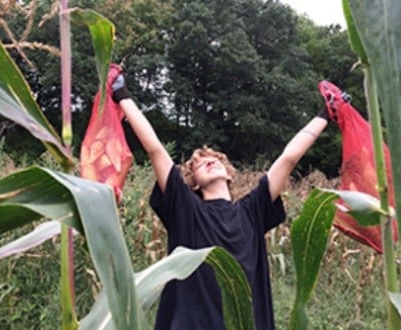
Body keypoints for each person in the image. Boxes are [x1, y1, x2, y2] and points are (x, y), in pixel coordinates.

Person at [112, 69, 331, 330]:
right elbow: (155, 148)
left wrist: (326, 114)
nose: (210, 162)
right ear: (192, 183)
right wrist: (121, 93)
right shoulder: (187, 209)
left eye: (215, 160)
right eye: (199, 165)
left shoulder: (252, 210)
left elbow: (289, 158)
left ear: (229, 174)